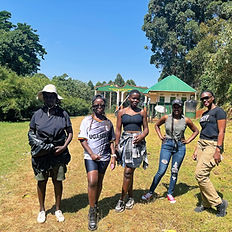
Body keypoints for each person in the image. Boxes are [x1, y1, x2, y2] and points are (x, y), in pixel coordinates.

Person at [28, 84, 73, 223]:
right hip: (41, 154)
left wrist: (64, 146)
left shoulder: (63, 114)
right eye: (46, 96)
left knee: (57, 180)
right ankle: (42, 210)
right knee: (41, 181)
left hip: (58, 153)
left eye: (52, 96)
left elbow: (70, 133)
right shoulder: (37, 114)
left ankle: (58, 209)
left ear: (56, 98)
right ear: (43, 98)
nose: (49, 99)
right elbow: (31, 132)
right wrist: (40, 147)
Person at [141, 99, 199, 203]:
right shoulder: (166, 117)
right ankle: (150, 192)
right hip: (167, 145)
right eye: (175, 106)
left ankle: (170, 193)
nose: (177, 109)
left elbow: (196, 130)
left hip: (180, 147)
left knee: (174, 170)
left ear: (182, 108)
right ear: (172, 107)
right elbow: (156, 125)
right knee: (161, 170)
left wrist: (188, 141)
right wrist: (160, 137)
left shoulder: (186, 120)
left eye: (179, 107)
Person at [78, 94, 116, 231]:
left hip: (104, 157)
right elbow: (83, 139)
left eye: (102, 105)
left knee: (99, 182)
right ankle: (92, 211)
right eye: (96, 105)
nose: (99, 107)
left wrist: (113, 156)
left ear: (104, 106)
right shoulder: (87, 121)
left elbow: (111, 141)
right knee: (92, 181)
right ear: (92, 106)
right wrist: (92, 154)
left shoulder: (108, 123)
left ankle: (95, 202)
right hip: (90, 157)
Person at [193, 90, 228, 217]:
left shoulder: (219, 112)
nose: (204, 100)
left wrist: (218, 150)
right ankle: (206, 203)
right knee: (202, 173)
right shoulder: (204, 113)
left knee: (200, 174)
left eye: (207, 97)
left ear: (213, 98)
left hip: (212, 145)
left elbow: (221, 132)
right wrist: (197, 149)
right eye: (202, 99)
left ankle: (219, 203)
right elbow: (203, 131)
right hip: (202, 144)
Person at [115, 89, 149, 212]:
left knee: (128, 171)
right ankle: (131, 197)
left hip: (137, 144)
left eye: (137, 98)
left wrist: (141, 136)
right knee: (129, 172)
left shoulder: (142, 112)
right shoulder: (121, 112)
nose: (135, 100)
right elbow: (118, 129)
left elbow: (146, 129)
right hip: (125, 142)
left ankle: (121, 199)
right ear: (128, 98)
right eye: (133, 98)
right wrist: (116, 144)